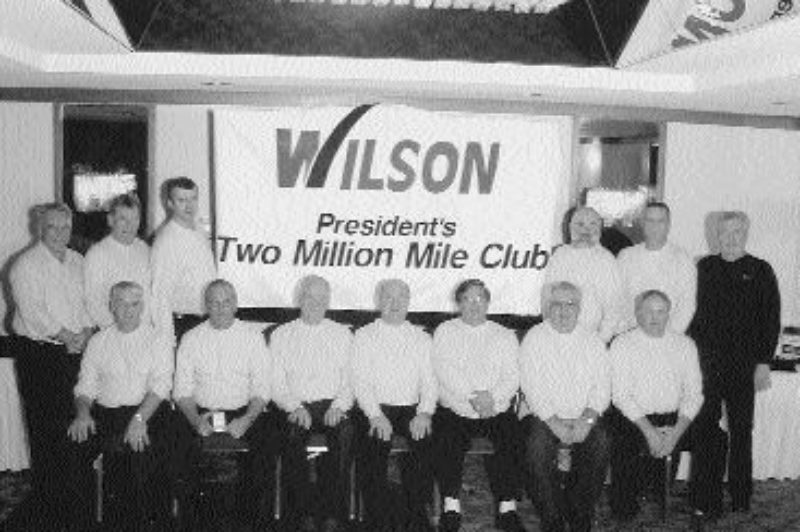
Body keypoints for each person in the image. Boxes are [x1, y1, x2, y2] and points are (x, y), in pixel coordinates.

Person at [688, 211, 781, 521]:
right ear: (716, 234)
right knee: (706, 430)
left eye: (737, 232)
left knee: (742, 430)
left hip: (744, 366)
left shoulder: (761, 270)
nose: (730, 238)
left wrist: (764, 363)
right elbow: (693, 317)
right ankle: (706, 495)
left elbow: (771, 320)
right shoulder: (704, 267)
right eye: (725, 232)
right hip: (707, 365)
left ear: (746, 233)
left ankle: (741, 496)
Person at [9, 202, 94, 521]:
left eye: (65, 227)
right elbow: (33, 313)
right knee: (47, 434)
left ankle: (76, 508)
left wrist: (86, 331)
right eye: (52, 227)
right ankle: (50, 510)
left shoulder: (78, 261)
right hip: (40, 357)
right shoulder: (25, 266)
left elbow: (89, 302)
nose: (60, 233)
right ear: (39, 229)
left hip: (76, 354)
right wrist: (67, 336)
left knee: (77, 430)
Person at [66, 281, 172, 530]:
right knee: (71, 450)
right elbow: (85, 387)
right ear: (111, 306)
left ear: (142, 307)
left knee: (137, 457)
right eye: (121, 304)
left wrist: (139, 419)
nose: (128, 310)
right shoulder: (98, 341)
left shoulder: (157, 339)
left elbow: (161, 386)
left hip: (147, 411)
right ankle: (86, 523)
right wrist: (82, 414)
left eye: (134, 304)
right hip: (106, 413)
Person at [173, 279, 275, 529]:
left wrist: (246, 420)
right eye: (214, 303)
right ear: (205, 305)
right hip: (200, 414)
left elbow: (262, 389)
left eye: (226, 302)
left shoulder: (252, 337)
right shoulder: (191, 338)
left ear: (235, 304)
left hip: (244, 413)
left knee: (262, 461)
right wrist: (196, 421)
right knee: (179, 456)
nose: (220, 308)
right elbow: (182, 391)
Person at [433, 279, 526, 532]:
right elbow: (444, 370)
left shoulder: (504, 335)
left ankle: (507, 508)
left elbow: (513, 375)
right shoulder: (445, 331)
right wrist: (474, 397)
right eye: (467, 299)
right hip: (456, 406)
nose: (474, 305)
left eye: (479, 299)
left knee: (512, 437)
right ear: (458, 303)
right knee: (445, 438)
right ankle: (451, 506)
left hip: (495, 408)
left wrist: (492, 399)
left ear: (487, 303)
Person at [520, 281, 610, 532]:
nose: (563, 310)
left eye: (570, 304)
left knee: (601, 443)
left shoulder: (593, 340)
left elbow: (603, 387)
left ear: (579, 308)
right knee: (536, 448)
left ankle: (580, 514)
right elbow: (531, 386)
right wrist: (554, 422)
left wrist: (587, 420)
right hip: (543, 415)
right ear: (548, 307)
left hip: (584, 415)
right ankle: (552, 518)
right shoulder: (535, 337)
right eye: (557, 304)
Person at [608, 289, 704, 521]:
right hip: (635, 417)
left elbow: (694, 394)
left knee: (714, 438)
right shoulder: (622, 344)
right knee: (621, 441)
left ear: (668, 314)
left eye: (660, 311)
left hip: (675, 418)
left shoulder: (685, 345)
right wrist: (650, 432)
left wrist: (676, 433)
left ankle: (703, 505)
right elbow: (621, 396)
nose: (654, 317)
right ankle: (625, 509)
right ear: (638, 313)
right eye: (648, 311)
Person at [351, 279, 437, 532]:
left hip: (412, 408)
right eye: (389, 297)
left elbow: (430, 381)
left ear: (409, 302)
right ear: (379, 302)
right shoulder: (364, 335)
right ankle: (376, 518)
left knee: (426, 443)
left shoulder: (421, 338)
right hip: (375, 407)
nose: (395, 303)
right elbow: (360, 381)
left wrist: (424, 413)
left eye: (401, 298)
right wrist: (375, 415)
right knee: (372, 446)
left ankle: (416, 514)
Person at [271, 275, 355, 532]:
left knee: (345, 433)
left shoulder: (343, 334)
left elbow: (352, 379)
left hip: (333, 405)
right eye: (310, 296)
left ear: (328, 301)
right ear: (299, 299)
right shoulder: (281, 334)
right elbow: (275, 381)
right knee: (290, 434)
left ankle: (332, 514)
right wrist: (294, 407)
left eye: (322, 298)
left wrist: (339, 406)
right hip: (296, 404)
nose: (316, 303)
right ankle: (303, 514)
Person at [151, 176, 216, 343]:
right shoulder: (166, 241)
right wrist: (166, 341)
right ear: (169, 203)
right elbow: (160, 294)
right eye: (181, 200)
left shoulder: (199, 231)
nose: (189, 206)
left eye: (193, 198)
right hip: (183, 325)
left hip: (205, 322)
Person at [545, 207, 625, 343]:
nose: (586, 230)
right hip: (558, 338)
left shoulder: (606, 260)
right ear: (570, 227)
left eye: (592, 224)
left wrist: (599, 342)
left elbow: (614, 308)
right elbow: (548, 299)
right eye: (580, 224)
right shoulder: (559, 255)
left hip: (593, 339)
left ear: (600, 229)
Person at [617, 202, 696, 333]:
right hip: (629, 334)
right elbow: (617, 299)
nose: (655, 226)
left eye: (660, 221)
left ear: (668, 225)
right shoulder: (626, 256)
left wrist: (668, 337)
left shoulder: (682, 259)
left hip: (668, 336)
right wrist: (626, 332)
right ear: (642, 223)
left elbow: (686, 306)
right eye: (650, 220)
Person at [83, 193, 151, 328]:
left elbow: (152, 294)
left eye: (135, 219)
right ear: (110, 220)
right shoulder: (97, 254)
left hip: (147, 330)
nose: (129, 225)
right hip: (115, 330)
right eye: (123, 219)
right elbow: (93, 301)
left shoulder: (145, 249)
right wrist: (118, 330)